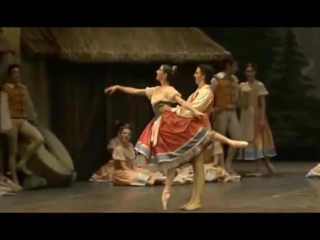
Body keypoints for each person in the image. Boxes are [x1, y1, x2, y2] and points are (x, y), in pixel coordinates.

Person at [105, 64, 248, 210]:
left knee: (197, 163)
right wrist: (119, 87)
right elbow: (137, 91)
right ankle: (191, 198)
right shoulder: (194, 91)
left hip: (194, 128)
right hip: (182, 125)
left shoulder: (205, 92)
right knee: (187, 162)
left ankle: (196, 199)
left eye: (197, 72)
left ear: (203, 75)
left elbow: (189, 108)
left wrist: (172, 110)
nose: (194, 75)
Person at [1, 64, 44, 185]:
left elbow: (29, 105)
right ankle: (14, 179)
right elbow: (3, 107)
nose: (17, 75)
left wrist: (34, 118)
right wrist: (5, 125)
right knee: (12, 151)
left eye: (18, 72)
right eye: (14, 73)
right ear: (10, 75)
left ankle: (22, 162)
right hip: (12, 120)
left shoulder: (23, 88)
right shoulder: (6, 89)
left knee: (39, 139)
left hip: (23, 119)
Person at [237, 63, 276, 176]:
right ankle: (259, 165)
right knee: (250, 138)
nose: (249, 73)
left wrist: (262, 118)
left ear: (255, 72)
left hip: (256, 113)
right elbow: (240, 103)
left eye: (251, 71)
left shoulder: (259, 85)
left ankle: (265, 164)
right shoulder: (242, 86)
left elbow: (262, 103)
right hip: (245, 114)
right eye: (247, 71)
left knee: (259, 137)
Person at [211, 55, 242, 175]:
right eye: (234, 66)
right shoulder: (217, 79)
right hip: (221, 111)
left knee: (237, 138)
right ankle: (222, 166)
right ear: (228, 66)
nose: (236, 68)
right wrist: (213, 109)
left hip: (232, 111)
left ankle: (228, 164)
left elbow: (237, 95)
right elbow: (209, 95)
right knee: (220, 138)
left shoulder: (234, 79)